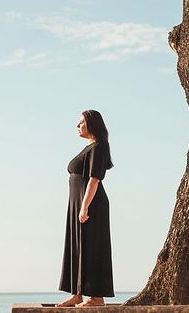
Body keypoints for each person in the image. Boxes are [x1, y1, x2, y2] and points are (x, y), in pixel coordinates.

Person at [57, 109, 114, 307]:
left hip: (91, 204)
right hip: (78, 204)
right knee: (77, 247)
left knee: (92, 248)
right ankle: (77, 294)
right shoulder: (88, 148)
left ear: (92, 124)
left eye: (81, 122)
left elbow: (94, 179)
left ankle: (97, 298)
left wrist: (84, 207)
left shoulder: (98, 147)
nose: (78, 125)